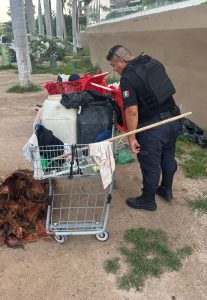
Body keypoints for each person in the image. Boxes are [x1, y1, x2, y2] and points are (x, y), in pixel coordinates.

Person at [106, 45, 181, 211]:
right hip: (175, 118)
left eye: (113, 65)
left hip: (154, 127)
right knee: (168, 156)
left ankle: (148, 200)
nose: (114, 69)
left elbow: (132, 111)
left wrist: (131, 137)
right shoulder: (153, 63)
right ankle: (166, 190)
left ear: (121, 61)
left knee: (150, 164)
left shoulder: (127, 78)